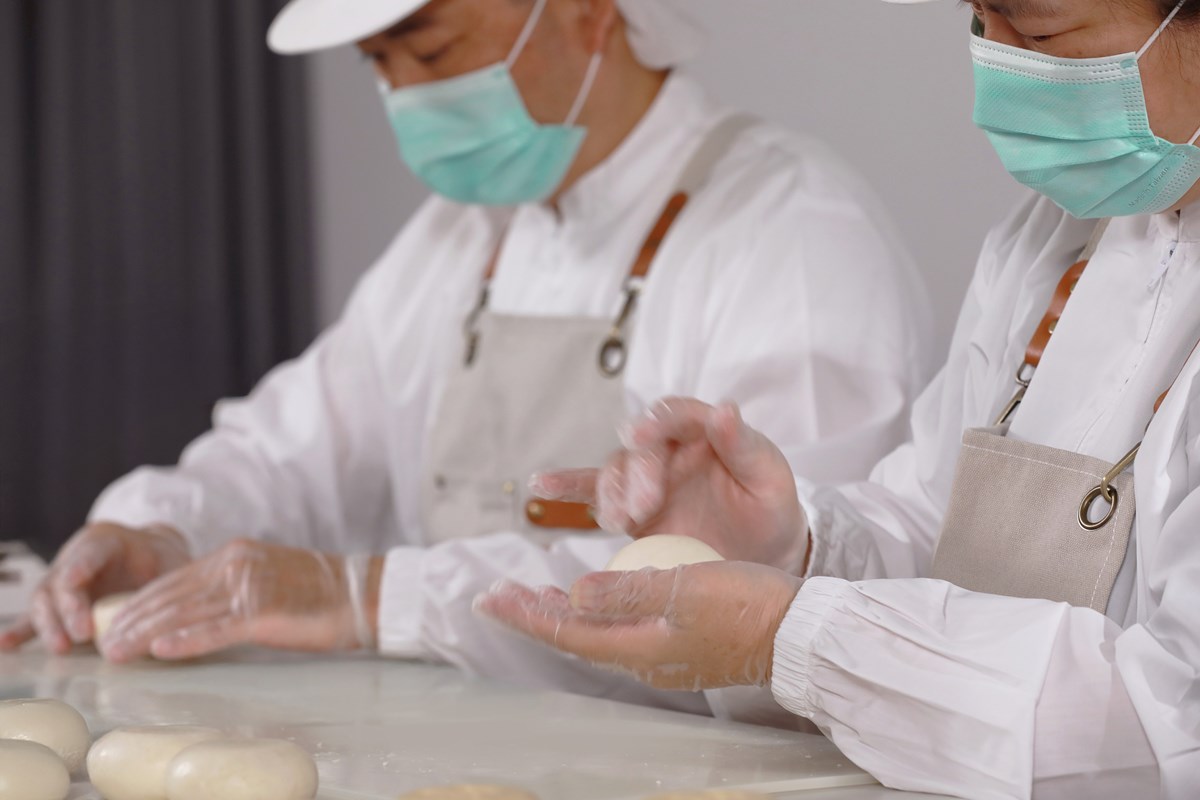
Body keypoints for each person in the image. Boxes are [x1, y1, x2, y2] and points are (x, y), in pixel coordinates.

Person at [0, 0, 933, 713]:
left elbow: (767, 600)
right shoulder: (464, 237)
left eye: (433, 51)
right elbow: (292, 446)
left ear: (589, 14)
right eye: (380, 63)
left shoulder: (792, 233)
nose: (408, 95)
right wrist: (160, 529)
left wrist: (365, 595)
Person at [479, 0, 1200, 794]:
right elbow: (934, 529)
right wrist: (792, 552)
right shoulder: (1055, 238)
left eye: (1038, 33)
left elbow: (1176, 726)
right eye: (979, 23)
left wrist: (788, 635)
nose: (1001, 74)